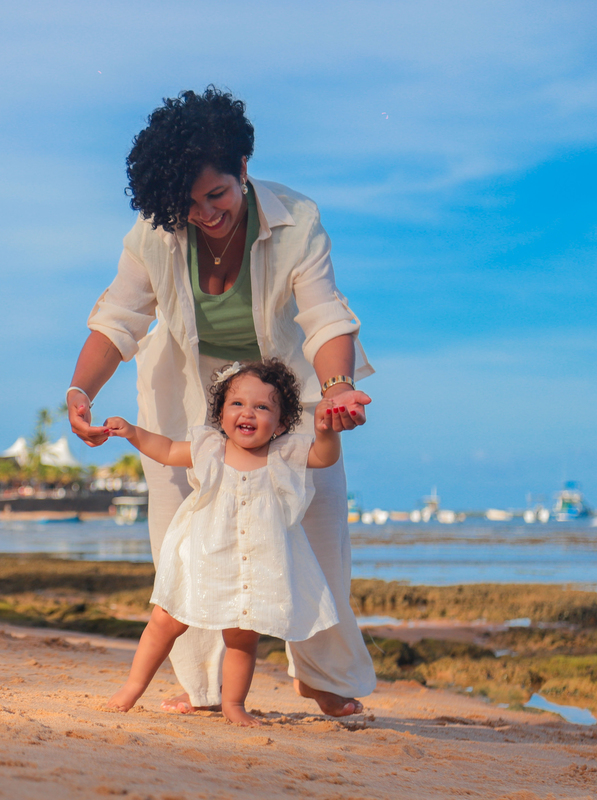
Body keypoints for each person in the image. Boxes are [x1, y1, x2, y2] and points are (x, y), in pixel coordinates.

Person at [68, 87, 376, 717]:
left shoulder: (297, 219)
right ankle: (205, 685)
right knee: (183, 532)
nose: (205, 213)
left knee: (317, 528)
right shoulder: (154, 232)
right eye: (188, 203)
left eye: (218, 195)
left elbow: (324, 317)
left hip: (279, 393)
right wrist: (81, 391)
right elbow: (119, 317)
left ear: (243, 168)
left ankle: (321, 674)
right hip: (185, 389)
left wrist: (338, 389)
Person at [105, 360, 351, 725]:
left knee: (241, 638)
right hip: (202, 556)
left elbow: (324, 456)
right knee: (164, 621)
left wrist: (326, 431)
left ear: (282, 423)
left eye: (263, 407)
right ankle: (132, 687)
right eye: (237, 404)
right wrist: (132, 433)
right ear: (220, 415)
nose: (247, 413)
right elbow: (167, 450)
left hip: (256, 564)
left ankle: (234, 703)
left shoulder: (284, 454)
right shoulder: (210, 449)